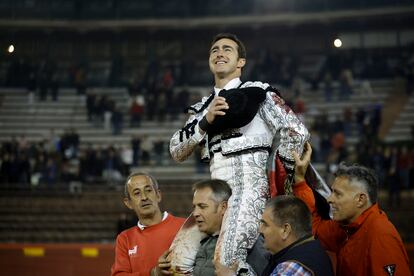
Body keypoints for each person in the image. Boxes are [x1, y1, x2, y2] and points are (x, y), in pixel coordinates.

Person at [170, 33, 309, 274]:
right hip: (212, 196)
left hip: (249, 191)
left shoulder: (259, 93)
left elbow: (295, 130)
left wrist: (285, 176)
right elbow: (176, 151)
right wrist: (205, 122)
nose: (219, 53)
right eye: (214, 50)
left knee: (225, 262)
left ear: (241, 62)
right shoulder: (203, 108)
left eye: (227, 49)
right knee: (174, 263)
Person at [292, 142, 411, 276]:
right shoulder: (346, 226)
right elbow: (317, 230)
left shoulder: (381, 236)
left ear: (360, 199)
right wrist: (300, 181)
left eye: (338, 194)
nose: (330, 199)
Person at [156, 179, 269, 276]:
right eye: (194, 207)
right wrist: (161, 272)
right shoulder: (201, 243)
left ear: (223, 207)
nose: (195, 213)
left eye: (202, 207)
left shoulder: (249, 242)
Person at [111, 172, 185, 276]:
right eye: (137, 193)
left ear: (158, 195)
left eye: (148, 190)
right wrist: (152, 273)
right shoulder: (125, 239)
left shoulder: (185, 227)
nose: (144, 197)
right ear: (129, 203)